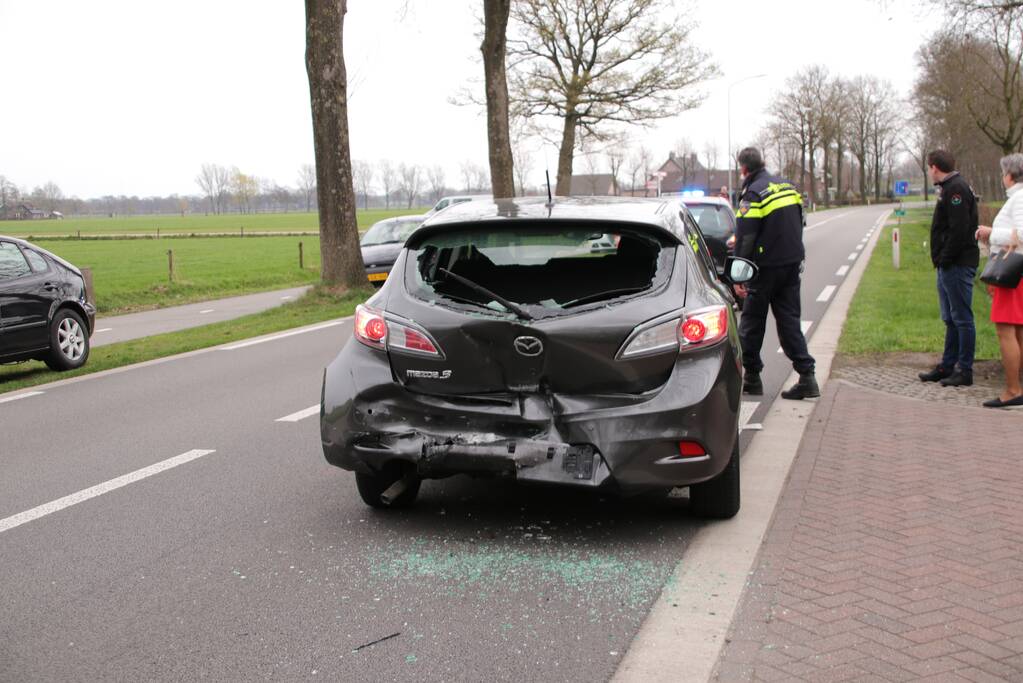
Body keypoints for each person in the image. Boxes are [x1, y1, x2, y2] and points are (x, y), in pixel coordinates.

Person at [732, 147, 818, 400]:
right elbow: (797, 222)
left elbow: (746, 238)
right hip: (791, 265)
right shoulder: (787, 187)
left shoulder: (753, 194)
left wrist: (740, 275)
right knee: (790, 321)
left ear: (744, 169)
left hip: (764, 269)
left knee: (751, 324)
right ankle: (807, 376)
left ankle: (752, 378)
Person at [918, 150, 980, 387]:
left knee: (962, 318)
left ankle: (964, 369)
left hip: (957, 264)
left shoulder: (955, 189)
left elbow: (959, 229)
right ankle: (948, 365)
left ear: (934, 167)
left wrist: (945, 258)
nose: (929, 171)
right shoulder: (950, 186)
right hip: (949, 265)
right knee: (951, 318)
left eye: (929, 167)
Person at [975, 153, 1023, 408]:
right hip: (1018, 272)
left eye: (1003, 172)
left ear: (1010, 175)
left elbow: (1022, 233)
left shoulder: (1019, 198)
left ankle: (1013, 390)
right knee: (1017, 331)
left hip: (1012, 272)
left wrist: (992, 233)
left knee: (1005, 330)